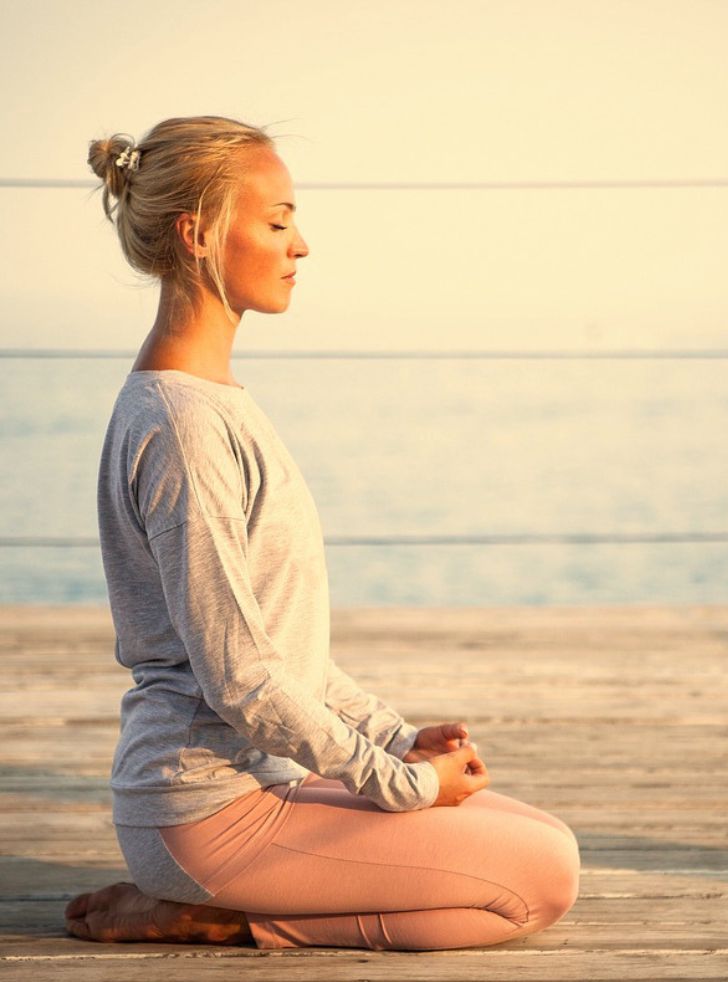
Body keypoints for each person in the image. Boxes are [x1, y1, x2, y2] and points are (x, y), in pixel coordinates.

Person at [65, 114, 580, 952]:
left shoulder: (213, 402)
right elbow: (242, 680)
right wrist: (404, 786)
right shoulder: (183, 426)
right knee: (539, 880)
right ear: (198, 235)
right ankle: (217, 918)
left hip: (261, 787)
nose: (300, 245)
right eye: (277, 222)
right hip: (208, 813)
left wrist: (395, 738)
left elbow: (278, 647)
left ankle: (228, 901)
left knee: (542, 839)